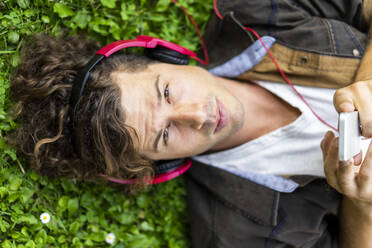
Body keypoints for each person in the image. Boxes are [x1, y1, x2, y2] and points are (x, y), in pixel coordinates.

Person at [8, 0, 372, 247]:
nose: (198, 116)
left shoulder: (256, 10)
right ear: (162, 165)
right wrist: (363, 208)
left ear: (170, 56)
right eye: (165, 134)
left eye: (167, 93)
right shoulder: (235, 235)